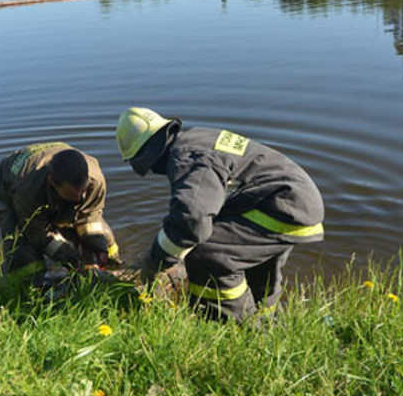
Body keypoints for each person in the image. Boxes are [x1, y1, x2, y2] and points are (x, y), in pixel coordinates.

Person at [116, 107, 324, 321]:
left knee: (208, 255)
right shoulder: (197, 138)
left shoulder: (186, 157)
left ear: (147, 155)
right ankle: (270, 326)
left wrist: (156, 260)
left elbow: (191, 219)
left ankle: (234, 329)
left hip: (283, 205)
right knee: (253, 265)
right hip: (294, 201)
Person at [0, 142, 120, 285]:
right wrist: (72, 258)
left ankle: (114, 267)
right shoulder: (28, 193)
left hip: (54, 184)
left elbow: (89, 215)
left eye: (82, 191)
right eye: (73, 194)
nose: (80, 199)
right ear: (52, 182)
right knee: (24, 255)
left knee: (102, 237)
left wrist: (97, 247)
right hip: (8, 191)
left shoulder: (95, 179)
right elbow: (39, 235)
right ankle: (27, 292)